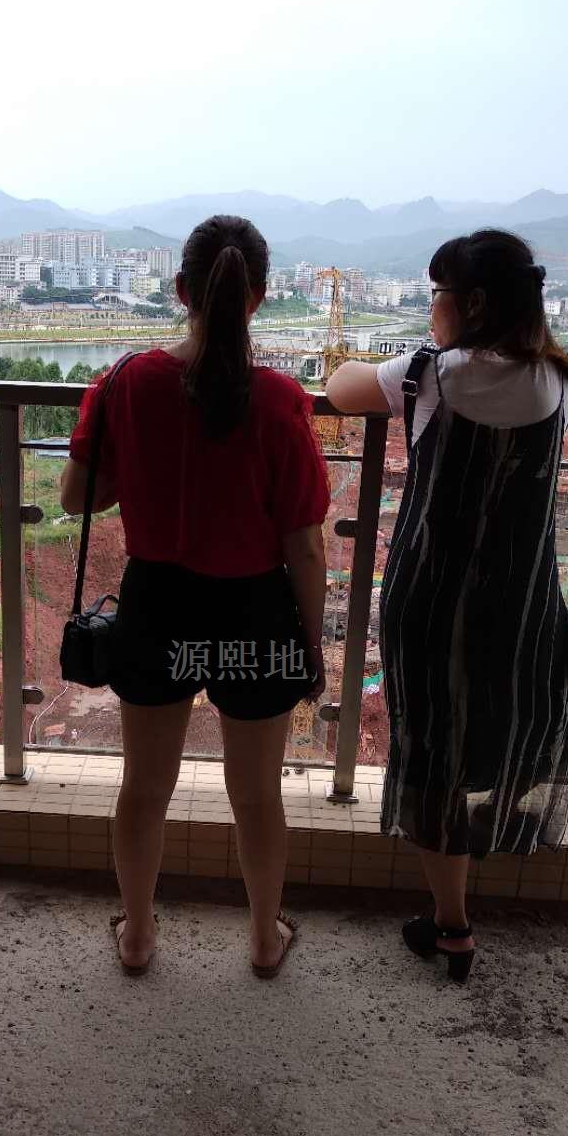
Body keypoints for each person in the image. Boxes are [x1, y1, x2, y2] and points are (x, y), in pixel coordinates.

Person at [325, 229, 568, 983]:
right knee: (502, 730)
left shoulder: (428, 375)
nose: (432, 308)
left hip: (428, 604)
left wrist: (381, 357)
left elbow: (338, 388)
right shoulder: (562, 382)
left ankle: (452, 922)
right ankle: (494, 841)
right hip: (519, 608)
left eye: (437, 295)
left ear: (474, 303)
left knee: (433, 753)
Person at [60, 215, 331, 978]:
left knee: (145, 790)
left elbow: (79, 495)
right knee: (258, 796)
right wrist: (310, 646)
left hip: (158, 608)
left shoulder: (126, 383)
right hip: (253, 615)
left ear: (182, 290)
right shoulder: (280, 401)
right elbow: (305, 546)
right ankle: (264, 940)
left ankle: (139, 936)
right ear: (259, 298)